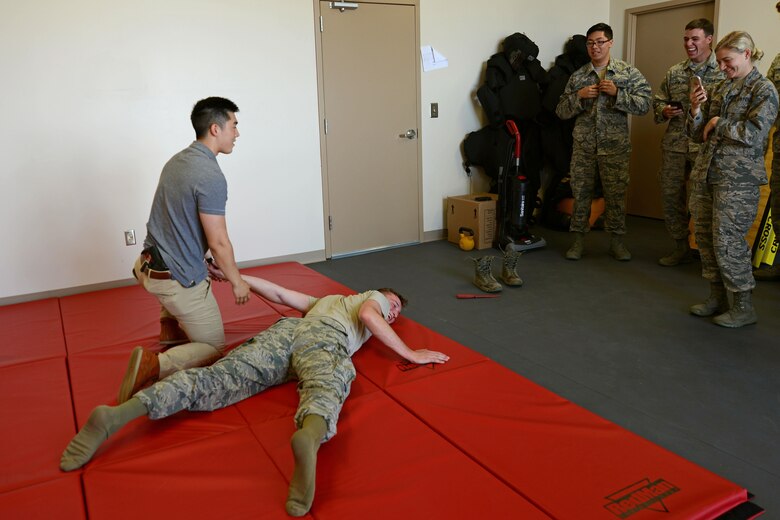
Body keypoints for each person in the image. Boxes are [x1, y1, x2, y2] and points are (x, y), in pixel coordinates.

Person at [60, 271, 450, 517]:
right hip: (324, 340)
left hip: (285, 332)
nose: (393, 314)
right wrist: (410, 352)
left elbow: (280, 294)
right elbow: (369, 317)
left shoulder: (324, 302)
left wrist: (238, 278)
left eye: (395, 312)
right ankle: (309, 437)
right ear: (380, 294)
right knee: (327, 386)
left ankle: (117, 415)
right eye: (394, 306)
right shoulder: (371, 301)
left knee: (215, 380)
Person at [124, 97, 252, 403]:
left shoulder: (178, 160)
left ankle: (170, 328)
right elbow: (219, 241)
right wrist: (238, 282)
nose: (237, 133)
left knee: (192, 270)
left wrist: (202, 256)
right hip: (174, 280)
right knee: (214, 346)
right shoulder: (210, 176)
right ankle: (154, 365)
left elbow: (177, 221)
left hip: (145, 266)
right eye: (234, 126)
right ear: (215, 128)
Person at [687, 31, 779, 327]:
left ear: (746, 54)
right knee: (706, 238)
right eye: (720, 62)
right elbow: (698, 135)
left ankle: (743, 305)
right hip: (708, 174)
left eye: (727, 61)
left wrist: (719, 123)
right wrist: (697, 110)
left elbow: (754, 134)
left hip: (737, 181)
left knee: (728, 242)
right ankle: (717, 297)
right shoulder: (722, 87)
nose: (723, 67)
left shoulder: (763, 90)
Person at [556, 23, 651, 261]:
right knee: (581, 193)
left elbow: (645, 105)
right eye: (590, 43)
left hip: (615, 147)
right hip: (584, 147)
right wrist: (578, 97)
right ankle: (577, 241)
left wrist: (618, 94)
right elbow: (560, 111)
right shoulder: (578, 76)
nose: (595, 47)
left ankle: (616, 242)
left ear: (610, 42)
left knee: (616, 194)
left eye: (599, 42)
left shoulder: (627, 73)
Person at [653, 19, 724, 266]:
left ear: (708, 39)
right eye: (686, 39)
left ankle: (706, 253)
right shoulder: (675, 72)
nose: (689, 44)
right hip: (674, 144)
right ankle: (680, 246)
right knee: (671, 196)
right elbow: (658, 100)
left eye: (695, 38)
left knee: (702, 200)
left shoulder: (723, 71)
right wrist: (663, 111)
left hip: (704, 147)